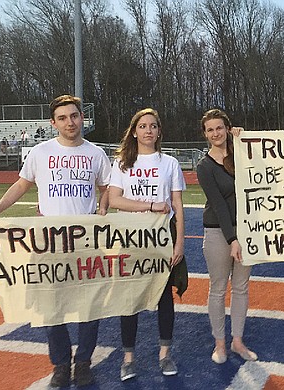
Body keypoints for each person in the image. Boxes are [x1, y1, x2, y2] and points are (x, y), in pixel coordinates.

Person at [0, 94, 111, 387]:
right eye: (62, 118)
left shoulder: (96, 153)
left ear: (82, 118)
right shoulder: (39, 153)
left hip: (86, 239)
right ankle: (61, 364)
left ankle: (84, 362)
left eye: (74, 116)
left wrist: (103, 207)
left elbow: (106, 188)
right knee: (50, 307)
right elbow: (22, 185)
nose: (70, 122)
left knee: (91, 305)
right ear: (53, 123)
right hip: (47, 241)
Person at [108, 108, 186, 380]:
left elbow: (177, 204)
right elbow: (114, 200)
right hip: (129, 239)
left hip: (161, 239)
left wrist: (179, 243)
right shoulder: (121, 163)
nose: (148, 130)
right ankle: (128, 358)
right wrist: (150, 205)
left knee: (164, 297)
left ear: (159, 131)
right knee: (129, 301)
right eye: (143, 126)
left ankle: (165, 354)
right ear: (134, 130)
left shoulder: (170, 163)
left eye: (153, 125)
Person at [195, 109, 258, 365]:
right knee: (218, 289)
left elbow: (263, 168)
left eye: (220, 128)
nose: (216, 133)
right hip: (218, 232)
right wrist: (232, 239)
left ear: (227, 128)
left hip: (246, 230)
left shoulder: (241, 154)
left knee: (241, 288)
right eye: (210, 130)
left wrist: (244, 139)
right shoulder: (204, 166)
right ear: (205, 134)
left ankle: (238, 341)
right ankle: (220, 343)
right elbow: (219, 205)